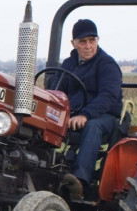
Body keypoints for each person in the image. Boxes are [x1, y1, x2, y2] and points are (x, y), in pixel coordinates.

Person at [52, 19, 123, 199]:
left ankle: (80, 182)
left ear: (97, 40)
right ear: (74, 43)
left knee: (92, 127)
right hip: (75, 114)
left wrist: (85, 114)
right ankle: (46, 170)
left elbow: (108, 96)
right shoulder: (68, 64)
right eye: (83, 42)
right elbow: (56, 91)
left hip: (105, 116)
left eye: (92, 40)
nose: (88, 46)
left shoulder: (106, 64)